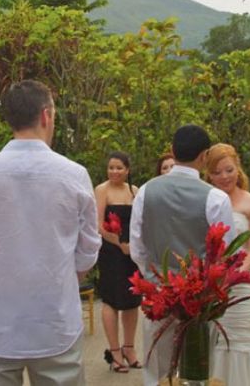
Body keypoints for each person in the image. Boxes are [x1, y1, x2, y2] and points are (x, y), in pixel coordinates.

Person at [0, 79, 101, 385]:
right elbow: (88, 248)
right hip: (54, 317)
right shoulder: (74, 174)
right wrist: (62, 277)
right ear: (47, 115)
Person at [130, 124, 238, 386]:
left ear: (173, 151)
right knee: (196, 368)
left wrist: (153, 274)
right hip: (199, 300)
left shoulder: (146, 191)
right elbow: (225, 252)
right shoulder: (215, 198)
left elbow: (137, 245)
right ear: (204, 155)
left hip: (157, 293)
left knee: (157, 370)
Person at [206, 143, 250, 386]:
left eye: (228, 170)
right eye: (217, 172)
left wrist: (235, 276)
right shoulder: (205, 200)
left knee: (240, 343)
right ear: (209, 174)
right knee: (213, 342)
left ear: (238, 168)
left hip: (242, 285)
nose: (224, 177)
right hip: (209, 286)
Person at [95, 151, 141, 373]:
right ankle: (114, 352)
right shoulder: (102, 190)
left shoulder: (135, 191)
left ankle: (129, 348)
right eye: (111, 167)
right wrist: (119, 243)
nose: (114, 171)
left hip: (133, 252)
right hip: (111, 252)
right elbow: (98, 225)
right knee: (111, 300)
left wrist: (134, 246)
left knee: (132, 300)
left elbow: (141, 223)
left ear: (127, 170)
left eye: (119, 168)